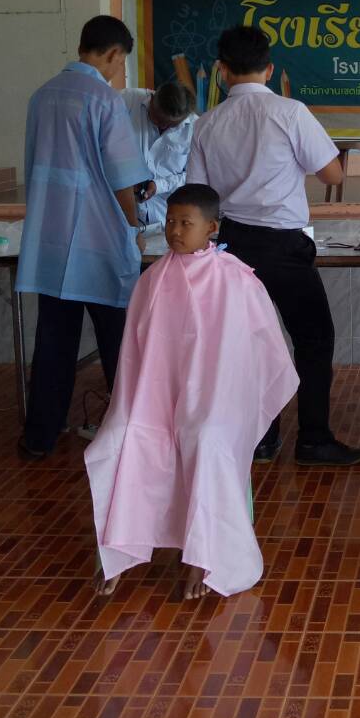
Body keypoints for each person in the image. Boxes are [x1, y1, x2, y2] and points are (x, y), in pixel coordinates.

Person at [86, 184, 298, 601]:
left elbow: (259, 350)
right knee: (120, 437)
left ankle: (205, 557)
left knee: (206, 439)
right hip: (151, 401)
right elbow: (136, 356)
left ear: (212, 228)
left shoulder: (235, 279)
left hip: (218, 401)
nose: (175, 231)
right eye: (170, 222)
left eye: (186, 223)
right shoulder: (152, 280)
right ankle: (119, 551)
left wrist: (218, 397)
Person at [185, 26, 360, 467]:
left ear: (222, 70)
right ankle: (314, 439)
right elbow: (332, 175)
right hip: (284, 246)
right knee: (314, 339)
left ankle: (262, 439)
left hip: (231, 245)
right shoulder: (290, 111)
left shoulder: (207, 123)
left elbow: (198, 195)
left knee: (248, 343)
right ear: (269, 69)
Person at [16, 15, 151, 460]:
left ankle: (40, 435)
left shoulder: (42, 95)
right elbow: (122, 177)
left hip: (51, 239)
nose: (119, 70)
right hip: (99, 237)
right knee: (117, 340)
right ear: (113, 54)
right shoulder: (104, 100)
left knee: (54, 340)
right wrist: (133, 226)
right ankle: (127, 431)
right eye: (121, 61)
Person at [120, 81, 196, 227]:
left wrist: (159, 185)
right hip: (120, 212)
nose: (162, 125)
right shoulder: (127, 100)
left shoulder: (196, 129)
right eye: (157, 118)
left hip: (164, 218)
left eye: (171, 125)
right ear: (152, 98)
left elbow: (192, 176)